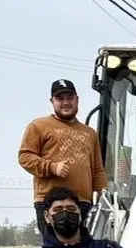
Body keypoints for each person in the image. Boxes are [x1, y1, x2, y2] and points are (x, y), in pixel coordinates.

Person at [18, 79, 107, 233]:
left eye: (69, 98)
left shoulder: (90, 133)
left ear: (77, 100)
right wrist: (52, 167)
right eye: (60, 98)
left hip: (83, 203)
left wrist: (102, 192)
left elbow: (97, 168)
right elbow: (25, 157)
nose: (66, 102)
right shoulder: (39, 126)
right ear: (52, 101)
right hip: (53, 203)